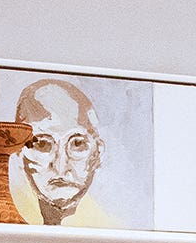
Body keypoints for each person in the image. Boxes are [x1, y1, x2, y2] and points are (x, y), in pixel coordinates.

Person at [9, 76, 118, 227]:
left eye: (77, 143)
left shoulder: (113, 226)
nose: (60, 166)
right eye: (42, 144)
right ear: (19, 152)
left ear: (98, 152)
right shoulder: (9, 222)